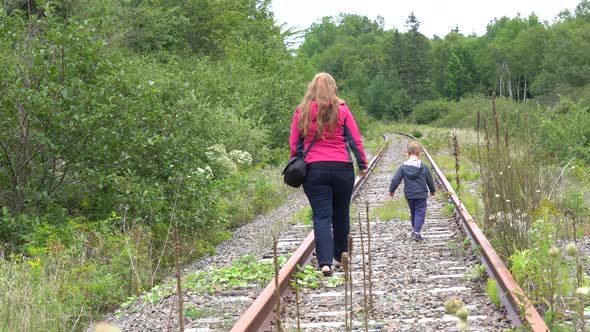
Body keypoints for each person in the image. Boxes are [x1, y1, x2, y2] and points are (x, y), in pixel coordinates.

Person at [289, 73, 368, 276]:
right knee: (341, 212)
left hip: (314, 169)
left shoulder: (302, 110)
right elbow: (354, 139)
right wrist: (362, 163)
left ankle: (325, 263)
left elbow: (295, 143)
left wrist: (297, 162)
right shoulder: (342, 109)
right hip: (342, 167)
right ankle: (341, 254)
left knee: (322, 216)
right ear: (333, 88)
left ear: (312, 88)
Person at [388, 141, 436, 241]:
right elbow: (430, 179)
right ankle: (417, 231)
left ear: (407, 154)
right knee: (420, 212)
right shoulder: (424, 167)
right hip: (421, 194)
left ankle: (415, 230)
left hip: (409, 194)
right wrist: (432, 190)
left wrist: (392, 190)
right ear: (421, 154)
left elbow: (395, 179)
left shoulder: (403, 167)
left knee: (414, 212)